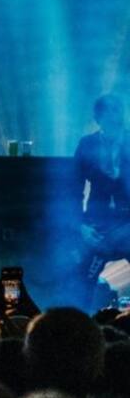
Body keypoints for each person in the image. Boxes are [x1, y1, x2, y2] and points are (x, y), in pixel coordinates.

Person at [75, 94, 130, 304]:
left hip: (127, 223)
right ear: (98, 118)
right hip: (98, 226)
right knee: (82, 281)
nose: (116, 117)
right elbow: (73, 190)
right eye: (110, 112)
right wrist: (81, 226)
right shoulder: (87, 144)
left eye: (119, 111)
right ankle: (82, 325)